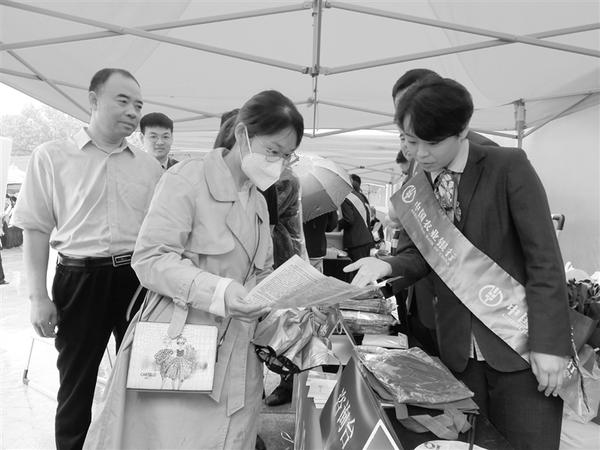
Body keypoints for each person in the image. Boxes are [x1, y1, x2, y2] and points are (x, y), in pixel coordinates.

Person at [346, 76, 571, 449]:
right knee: (469, 443)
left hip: (521, 347)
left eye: (432, 143)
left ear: (463, 130)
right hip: (457, 351)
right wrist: (387, 266)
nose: (421, 154)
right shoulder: (418, 182)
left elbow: (544, 259)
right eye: (411, 141)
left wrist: (551, 345)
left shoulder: (507, 165)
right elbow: (419, 255)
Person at [83, 89, 304, 450]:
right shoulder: (188, 179)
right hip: (183, 343)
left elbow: (260, 271)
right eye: (273, 151)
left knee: (230, 437)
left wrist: (286, 299)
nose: (278, 163)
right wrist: (219, 291)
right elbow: (151, 258)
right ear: (243, 134)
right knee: (173, 439)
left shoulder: (258, 201)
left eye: (286, 155)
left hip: (238, 351)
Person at [10, 68, 163, 450]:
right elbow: (35, 229)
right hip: (79, 280)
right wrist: (37, 297)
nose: (133, 112)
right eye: (122, 101)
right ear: (93, 100)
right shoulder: (52, 156)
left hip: (137, 281)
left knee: (145, 379)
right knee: (77, 382)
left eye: (138, 105)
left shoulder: (149, 167)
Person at [338, 174, 375, 261]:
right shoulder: (359, 196)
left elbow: (349, 220)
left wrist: (337, 225)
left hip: (356, 242)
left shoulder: (346, 197)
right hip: (365, 240)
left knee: (357, 267)